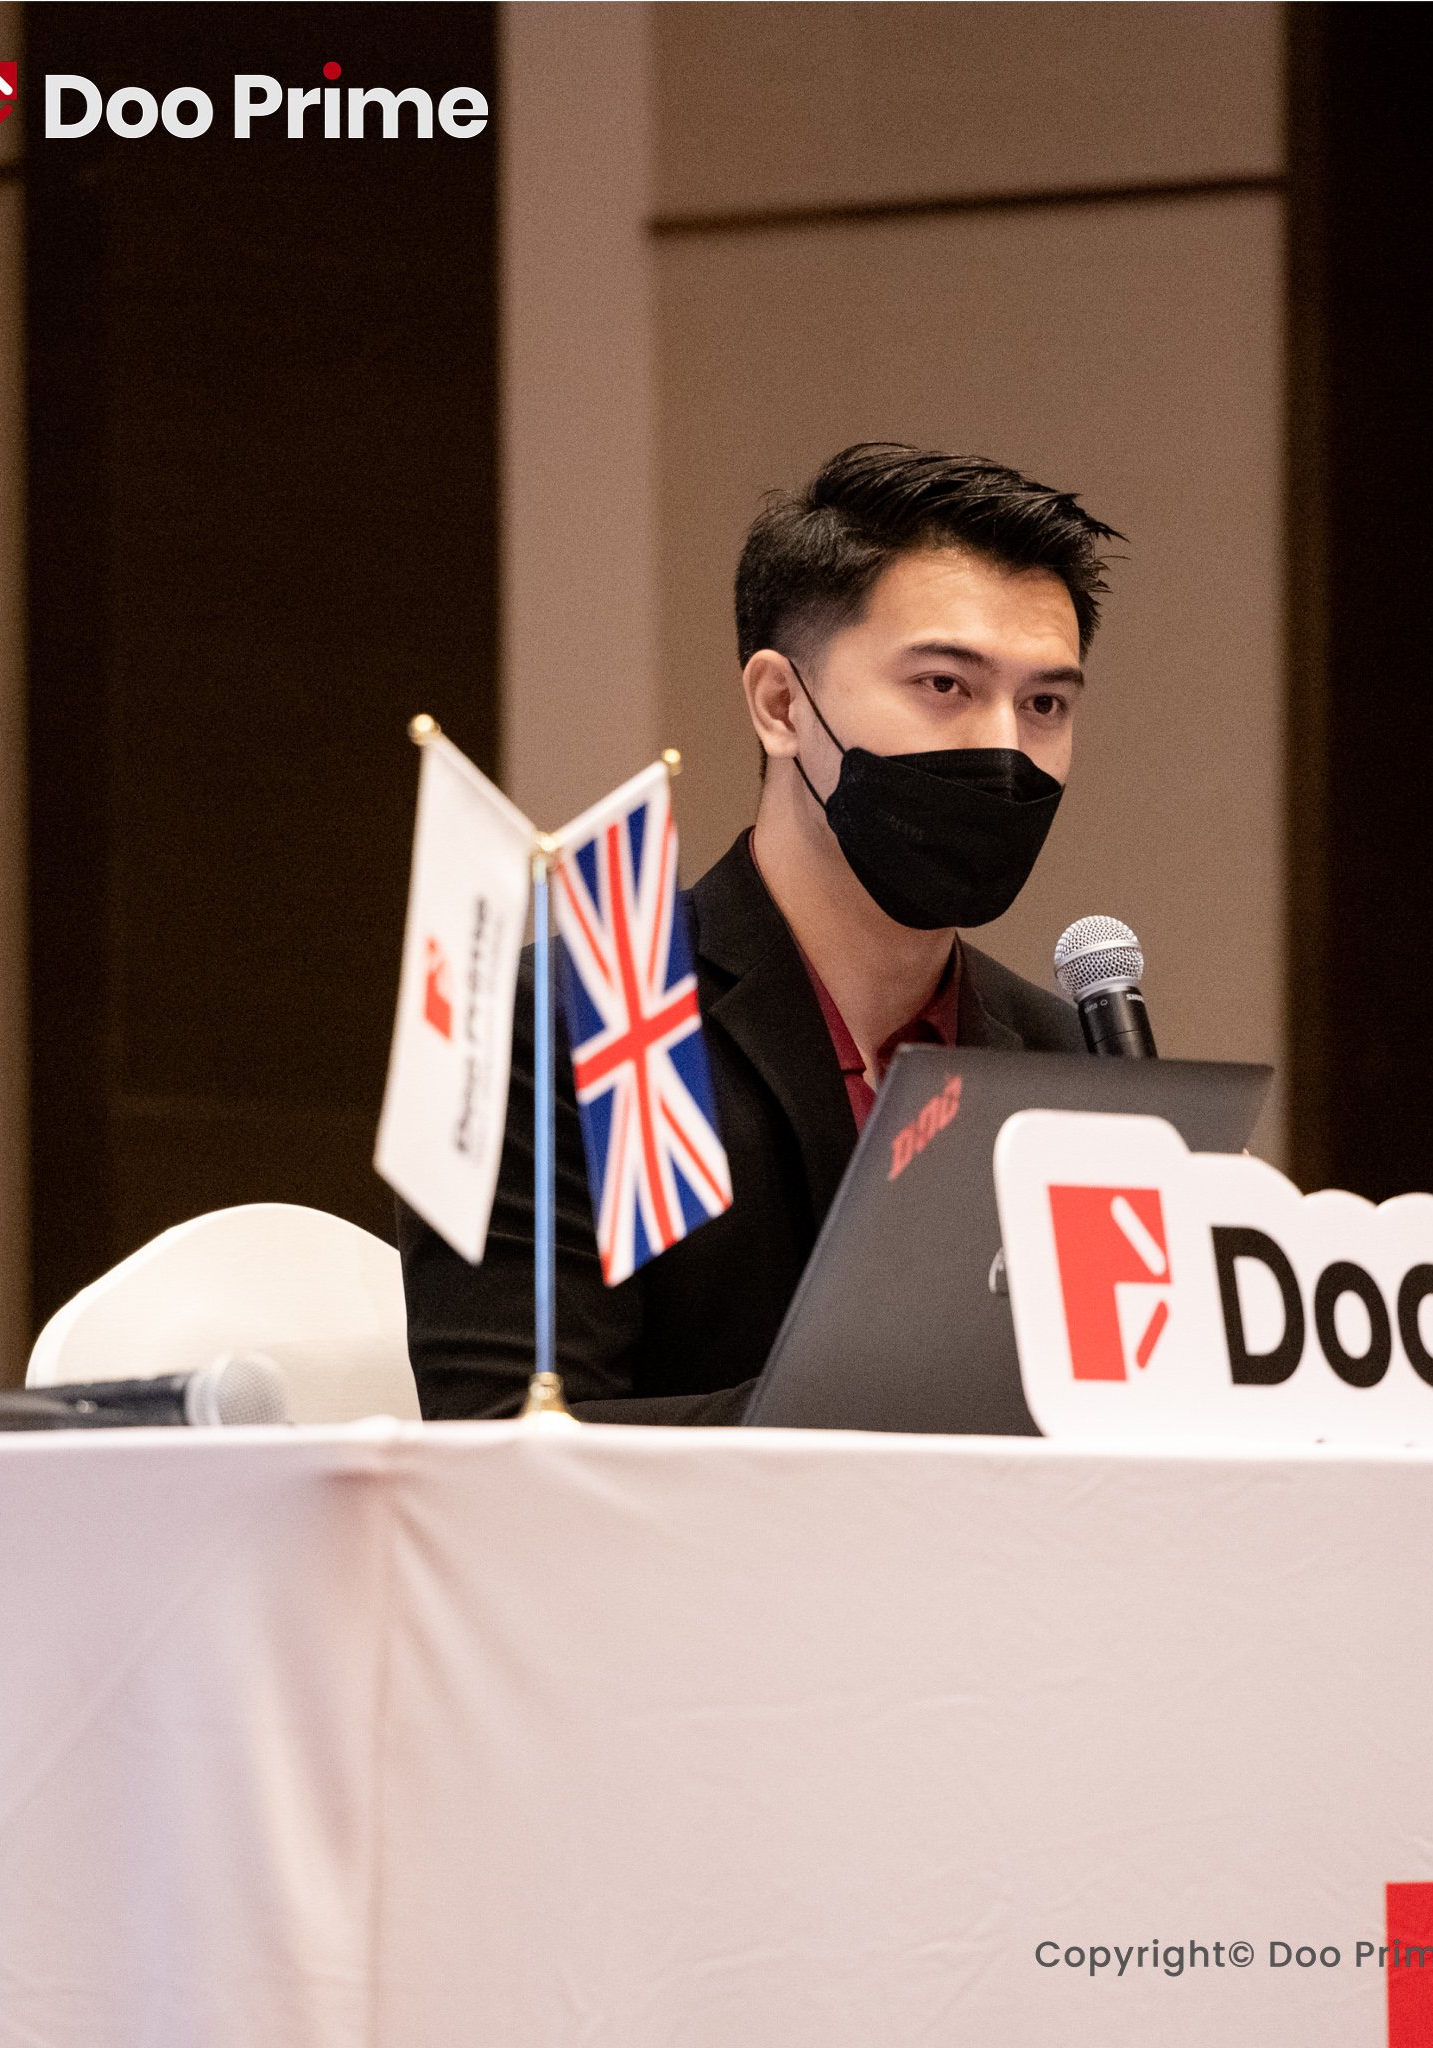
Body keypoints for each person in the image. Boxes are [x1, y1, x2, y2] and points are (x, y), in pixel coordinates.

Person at [400, 442, 1123, 1421]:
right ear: (781, 704)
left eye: (1043, 704)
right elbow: (504, 1442)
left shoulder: (1070, 1062)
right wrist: (903, 1415)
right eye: (944, 686)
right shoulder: (580, 1020)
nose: (1003, 747)